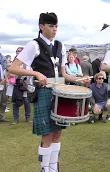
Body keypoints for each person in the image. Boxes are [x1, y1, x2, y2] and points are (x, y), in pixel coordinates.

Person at [8, 12, 90, 172]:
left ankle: (53, 167)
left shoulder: (61, 46)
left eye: (56, 26)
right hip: (44, 92)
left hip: (60, 92)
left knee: (58, 132)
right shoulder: (34, 44)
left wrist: (78, 79)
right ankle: (44, 168)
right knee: (47, 134)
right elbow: (13, 67)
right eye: (51, 26)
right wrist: (36, 73)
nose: (55, 29)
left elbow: (64, 73)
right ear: (41, 27)